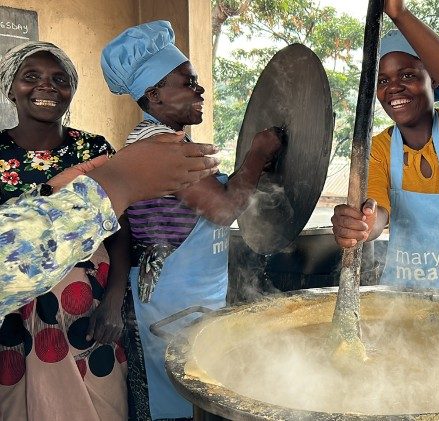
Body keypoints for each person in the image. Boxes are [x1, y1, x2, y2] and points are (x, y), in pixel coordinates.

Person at [101, 20, 282, 420]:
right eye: (189, 82)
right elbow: (222, 209)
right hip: (167, 308)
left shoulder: (172, 142)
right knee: (176, 401)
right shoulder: (159, 147)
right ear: (155, 95)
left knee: (196, 394)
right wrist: (257, 154)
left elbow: (218, 195)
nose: (200, 91)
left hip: (192, 303)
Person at [0, 41, 130, 419]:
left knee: (101, 399)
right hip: (13, 308)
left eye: (60, 79)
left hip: (85, 303)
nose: (47, 87)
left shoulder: (93, 149)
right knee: (19, 404)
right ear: (11, 88)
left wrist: (115, 300)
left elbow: (120, 229)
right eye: (31, 78)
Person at [331, 0, 439, 297]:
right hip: (404, 295)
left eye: (407, 75)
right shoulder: (379, 148)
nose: (393, 87)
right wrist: (363, 225)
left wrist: (400, 14)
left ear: (433, 79)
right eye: (383, 80)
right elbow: (378, 211)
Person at [1, 134, 220, 319]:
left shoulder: (94, 145)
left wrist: (50, 193)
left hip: (85, 298)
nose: (198, 91)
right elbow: (12, 257)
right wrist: (112, 186)